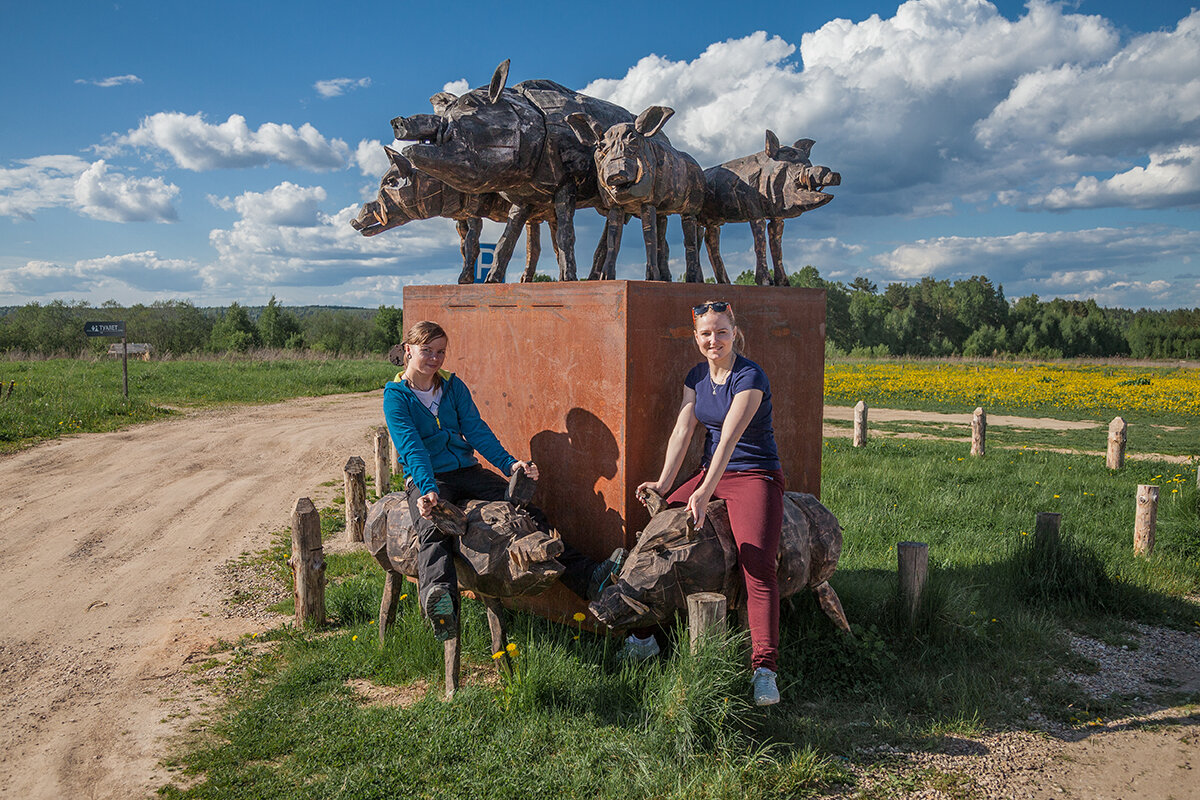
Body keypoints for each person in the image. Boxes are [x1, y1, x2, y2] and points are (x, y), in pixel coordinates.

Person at [384, 320, 624, 641]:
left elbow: (477, 430)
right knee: (433, 529)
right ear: (408, 350)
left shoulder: (453, 386)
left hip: (466, 470)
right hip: (428, 477)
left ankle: (588, 576)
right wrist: (427, 490)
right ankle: (442, 606)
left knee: (526, 511)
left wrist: (510, 465)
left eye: (441, 352)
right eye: (427, 350)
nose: (435, 358)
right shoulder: (396, 397)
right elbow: (412, 447)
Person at [634, 301, 785, 706]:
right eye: (705, 333)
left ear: (734, 332)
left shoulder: (750, 376)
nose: (713, 340)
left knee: (758, 563)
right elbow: (683, 430)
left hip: (753, 474)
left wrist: (703, 492)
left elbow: (731, 440)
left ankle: (764, 668)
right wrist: (665, 485)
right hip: (708, 474)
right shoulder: (697, 376)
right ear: (695, 337)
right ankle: (645, 637)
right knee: (658, 538)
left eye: (721, 331)